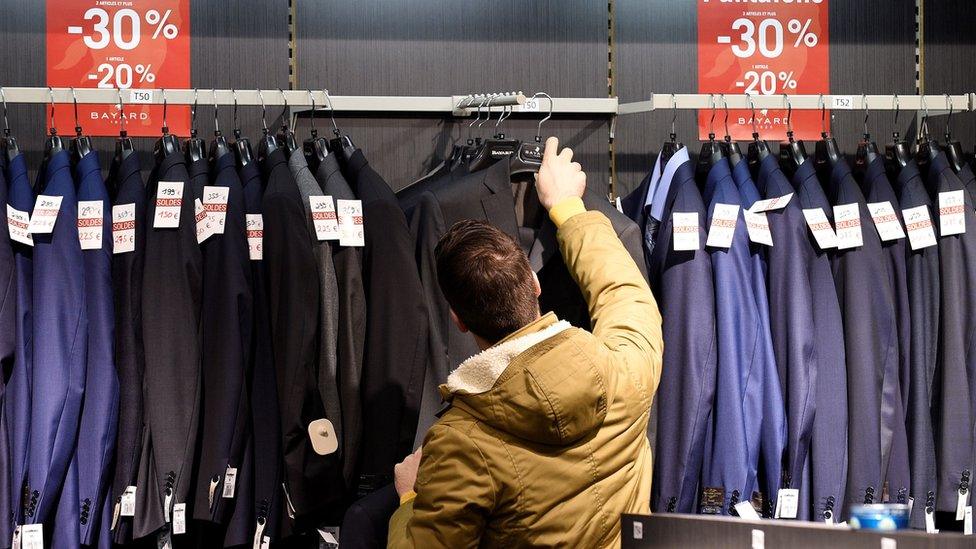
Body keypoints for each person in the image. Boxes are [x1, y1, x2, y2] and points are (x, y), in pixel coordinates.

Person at [387, 137, 663, 548]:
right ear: (535, 284)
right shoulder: (627, 369)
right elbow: (623, 290)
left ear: (458, 320)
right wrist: (568, 209)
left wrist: (411, 497)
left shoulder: (460, 445)